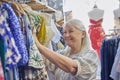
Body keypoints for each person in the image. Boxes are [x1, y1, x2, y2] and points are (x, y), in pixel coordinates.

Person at [33, 19, 99, 80]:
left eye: (71, 31)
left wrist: (39, 45)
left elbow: (72, 68)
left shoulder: (91, 55)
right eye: (64, 32)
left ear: (83, 34)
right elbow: (44, 60)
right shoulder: (62, 54)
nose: (67, 35)